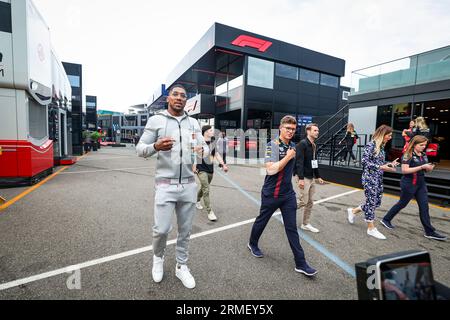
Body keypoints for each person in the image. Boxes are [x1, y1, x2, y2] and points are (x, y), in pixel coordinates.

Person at [136, 84, 208, 289]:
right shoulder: (156, 120)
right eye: (175, 94)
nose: (179, 98)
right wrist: (156, 146)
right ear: (168, 98)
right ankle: (158, 259)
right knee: (161, 229)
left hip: (188, 185)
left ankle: (181, 266)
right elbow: (140, 149)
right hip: (165, 185)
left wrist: (201, 150)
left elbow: (203, 149)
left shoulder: (194, 123)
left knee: (185, 231)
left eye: (183, 96)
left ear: (187, 101)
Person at [248, 116, 317, 277]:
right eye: (287, 128)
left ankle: (301, 263)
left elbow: (297, 165)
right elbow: (270, 170)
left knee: (291, 228)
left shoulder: (293, 146)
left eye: (293, 129)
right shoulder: (272, 146)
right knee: (262, 221)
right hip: (271, 194)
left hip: (288, 195)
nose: (290, 131)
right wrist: (287, 157)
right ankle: (252, 243)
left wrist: (302, 178)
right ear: (280, 128)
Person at [381, 135, 447, 241]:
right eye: (421, 145)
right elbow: (404, 170)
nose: (423, 147)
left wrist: (429, 168)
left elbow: (425, 170)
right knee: (402, 203)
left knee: (424, 206)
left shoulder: (424, 155)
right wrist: (422, 167)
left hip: (421, 184)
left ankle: (429, 231)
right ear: (415, 144)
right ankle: (386, 219)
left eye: (425, 145)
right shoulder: (408, 155)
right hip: (408, 183)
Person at [347, 125, 400, 240]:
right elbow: (365, 162)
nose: (390, 138)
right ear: (383, 134)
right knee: (371, 203)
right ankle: (371, 228)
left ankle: (353, 211)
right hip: (369, 178)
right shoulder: (371, 144)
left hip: (378, 178)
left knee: (376, 203)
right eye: (389, 135)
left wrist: (390, 164)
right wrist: (381, 166)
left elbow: (378, 162)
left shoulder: (381, 146)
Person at [194, 125, 229, 222]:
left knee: (204, 187)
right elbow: (190, 151)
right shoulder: (199, 142)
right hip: (200, 168)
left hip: (210, 169)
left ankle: (196, 200)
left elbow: (217, 154)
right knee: (206, 189)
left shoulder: (213, 143)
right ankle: (210, 212)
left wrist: (223, 164)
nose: (212, 131)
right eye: (210, 130)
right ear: (205, 132)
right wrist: (194, 151)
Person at [295, 123, 325, 233]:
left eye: (318, 130)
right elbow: (299, 162)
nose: (317, 132)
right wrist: (301, 178)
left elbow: (314, 162)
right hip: (304, 177)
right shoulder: (302, 144)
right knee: (303, 201)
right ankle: (286, 212)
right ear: (308, 131)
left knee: (310, 202)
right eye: (315, 130)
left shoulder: (314, 145)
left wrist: (318, 176)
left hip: (311, 177)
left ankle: (305, 223)